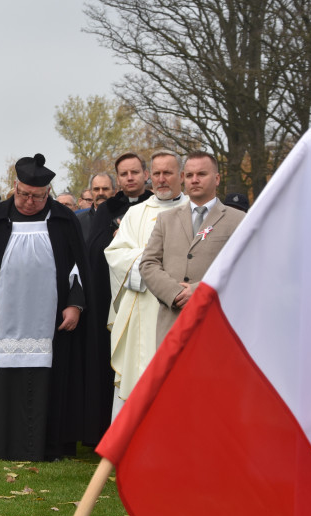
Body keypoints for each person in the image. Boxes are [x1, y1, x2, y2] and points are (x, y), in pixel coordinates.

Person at [0, 155, 87, 461]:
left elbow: (78, 269)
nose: (28, 202)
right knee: (0, 379)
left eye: (37, 196)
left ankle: (49, 445)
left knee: (50, 380)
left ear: (48, 192)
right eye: (23, 194)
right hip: (3, 321)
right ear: (15, 187)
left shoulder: (65, 221)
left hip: (50, 321)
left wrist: (75, 305)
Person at [104, 150, 185, 417]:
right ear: (152, 176)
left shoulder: (193, 211)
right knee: (139, 374)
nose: (162, 179)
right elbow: (115, 254)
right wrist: (153, 267)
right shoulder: (136, 214)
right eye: (158, 173)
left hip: (182, 308)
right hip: (143, 306)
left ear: (181, 176)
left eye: (168, 173)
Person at [80, 154, 152, 445]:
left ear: (145, 174)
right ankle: (102, 430)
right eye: (124, 174)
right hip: (108, 297)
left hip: (146, 295)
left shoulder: (156, 205)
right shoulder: (108, 209)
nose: (130, 178)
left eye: (135, 172)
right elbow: (95, 249)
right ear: (118, 178)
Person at [139, 151, 244, 342]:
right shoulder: (166, 219)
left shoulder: (238, 220)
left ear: (217, 178)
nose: (194, 180)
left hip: (217, 325)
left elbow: (243, 268)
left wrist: (198, 291)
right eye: (189, 175)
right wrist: (175, 293)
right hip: (173, 325)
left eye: (201, 174)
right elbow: (148, 264)